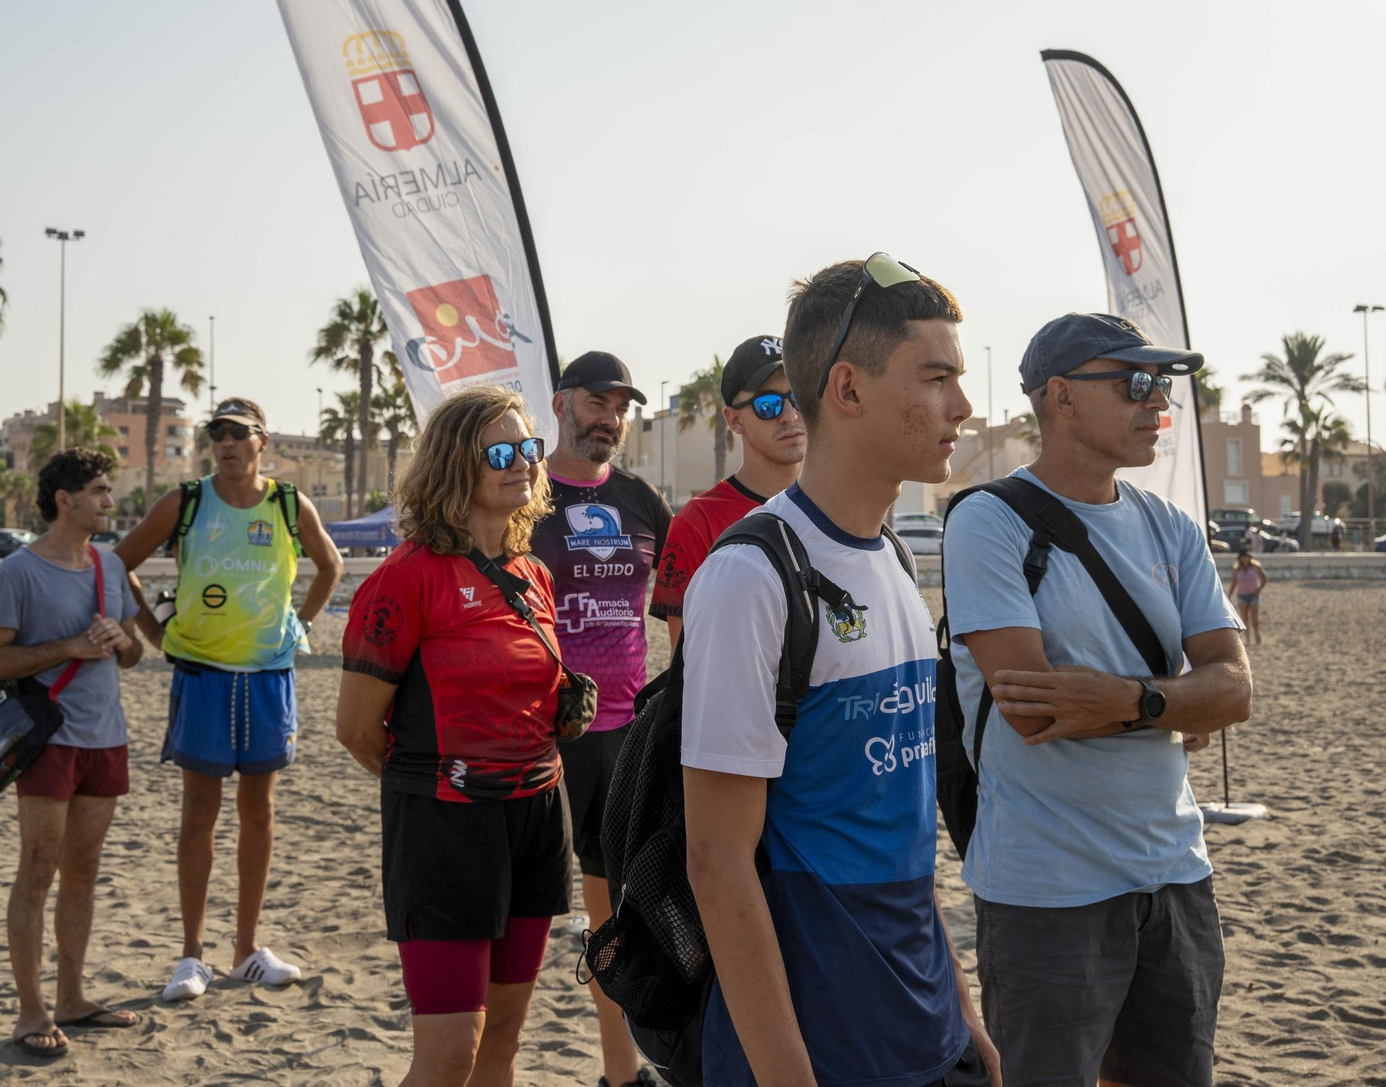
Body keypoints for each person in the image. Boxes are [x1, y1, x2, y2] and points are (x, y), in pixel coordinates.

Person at [682, 254, 997, 1085]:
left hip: (922, 1029)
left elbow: (899, 827)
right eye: (936, 377)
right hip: (815, 1050)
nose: (962, 406)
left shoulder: (891, 555)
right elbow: (716, 861)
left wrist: (961, 1013)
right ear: (848, 390)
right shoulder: (754, 576)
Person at [943, 312, 1254, 1087]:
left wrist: (1130, 700)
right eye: (1136, 382)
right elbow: (1037, 708)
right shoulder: (988, 519)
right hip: (1048, 888)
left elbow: (1236, 686)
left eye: (1163, 388)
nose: (1159, 404)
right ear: (1062, 397)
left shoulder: (1171, 527)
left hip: (1177, 873)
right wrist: (1180, 704)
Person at [335, 387, 572, 1087]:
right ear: (451, 465)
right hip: (444, 822)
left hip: (534, 813)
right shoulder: (405, 578)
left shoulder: (534, 575)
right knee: (447, 1058)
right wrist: (438, 783)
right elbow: (355, 728)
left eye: (529, 448)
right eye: (499, 451)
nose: (521, 463)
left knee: (501, 1043)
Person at [115, 397, 344, 1001]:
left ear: (261, 442)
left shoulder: (288, 504)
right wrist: (156, 633)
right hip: (202, 675)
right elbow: (119, 565)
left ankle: (245, 949)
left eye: (240, 434)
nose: (228, 444)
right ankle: (191, 955)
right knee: (198, 813)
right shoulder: (185, 502)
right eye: (219, 433)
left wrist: (300, 627)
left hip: (268, 677)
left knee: (259, 811)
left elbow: (330, 566)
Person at [529, 352, 671, 1087]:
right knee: (524, 915)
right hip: (542, 733)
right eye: (596, 401)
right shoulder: (525, 495)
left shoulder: (644, 501)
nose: (609, 417)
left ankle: (621, 1072)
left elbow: (684, 609)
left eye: (620, 406)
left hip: (626, 734)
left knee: (617, 910)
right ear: (560, 404)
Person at [0, 449, 145, 1057]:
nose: (110, 500)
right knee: (38, 869)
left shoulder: (110, 563)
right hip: (47, 740)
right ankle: (30, 1009)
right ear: (64, 501)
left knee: (84, 872)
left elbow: (134, 656)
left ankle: (72, 997)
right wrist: (69, 645)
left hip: (106, 735)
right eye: (99, 491)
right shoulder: (18, 571)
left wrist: (122, 641)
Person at [650, 334, 806, 646]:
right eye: (767, 404)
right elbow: (686, 667)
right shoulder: (697, 522)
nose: (789, 415)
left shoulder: (837, 507)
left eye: (798, 397)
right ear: (734, 420)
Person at [1228, 549, 1267, 647]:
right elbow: (1234, 583)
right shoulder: (1237, 569)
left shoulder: (1255, 567)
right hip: (1242, 595)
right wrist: (1229, 594)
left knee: (1254, 618)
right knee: (1244, 618)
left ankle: (1257, 633)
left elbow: (1264, 578)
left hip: (1253, 595)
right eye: (1243, 557)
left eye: (1246, 557)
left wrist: (1258, 589)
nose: (1244, 559)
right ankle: (1247, 638)